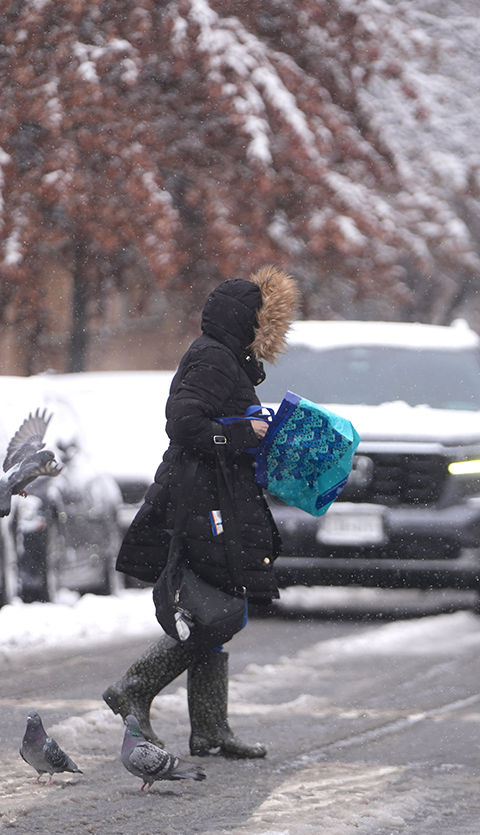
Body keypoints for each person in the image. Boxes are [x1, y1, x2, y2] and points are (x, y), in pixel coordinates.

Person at [104, 266, 299, 759]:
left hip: (218, 495)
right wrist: (241, 433)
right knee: (219, 610)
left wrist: (256, 430)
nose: (268, 337)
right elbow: (184, 422)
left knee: (221, 602)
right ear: (246, 322)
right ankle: (135, 687)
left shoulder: (226, 359)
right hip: (201, 500)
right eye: (263, 325)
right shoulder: (214, 358)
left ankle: (211, 728)